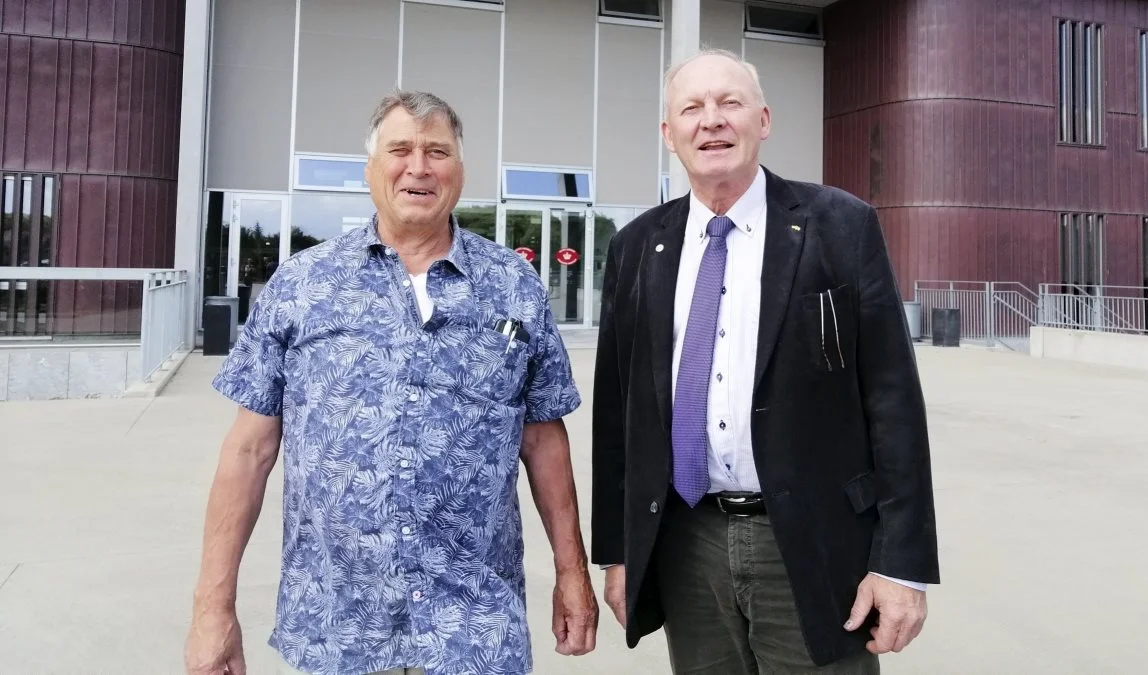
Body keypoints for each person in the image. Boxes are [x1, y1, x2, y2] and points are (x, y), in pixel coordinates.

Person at [185, 90, 598, 675]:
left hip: (474, 632)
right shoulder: (303, 283)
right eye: (399, 149)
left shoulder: (514, 285)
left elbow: (543, 440)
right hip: (337, 629)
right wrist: (211, 609)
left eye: (437, 151)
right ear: (371, 168)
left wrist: (571, 572)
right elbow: (248, 452)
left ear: (460, 169)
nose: (419, 167)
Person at [591, 49, 940, 674]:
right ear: (669, 134)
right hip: (686, 543)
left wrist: (900, 563)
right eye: (691, 108)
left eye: (730, 103)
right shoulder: (637, 247)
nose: (712, 121)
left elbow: (892, 402)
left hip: (812, 541)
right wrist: (619, 553)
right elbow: (619, 416)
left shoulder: (841, 225)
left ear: (764, 119)